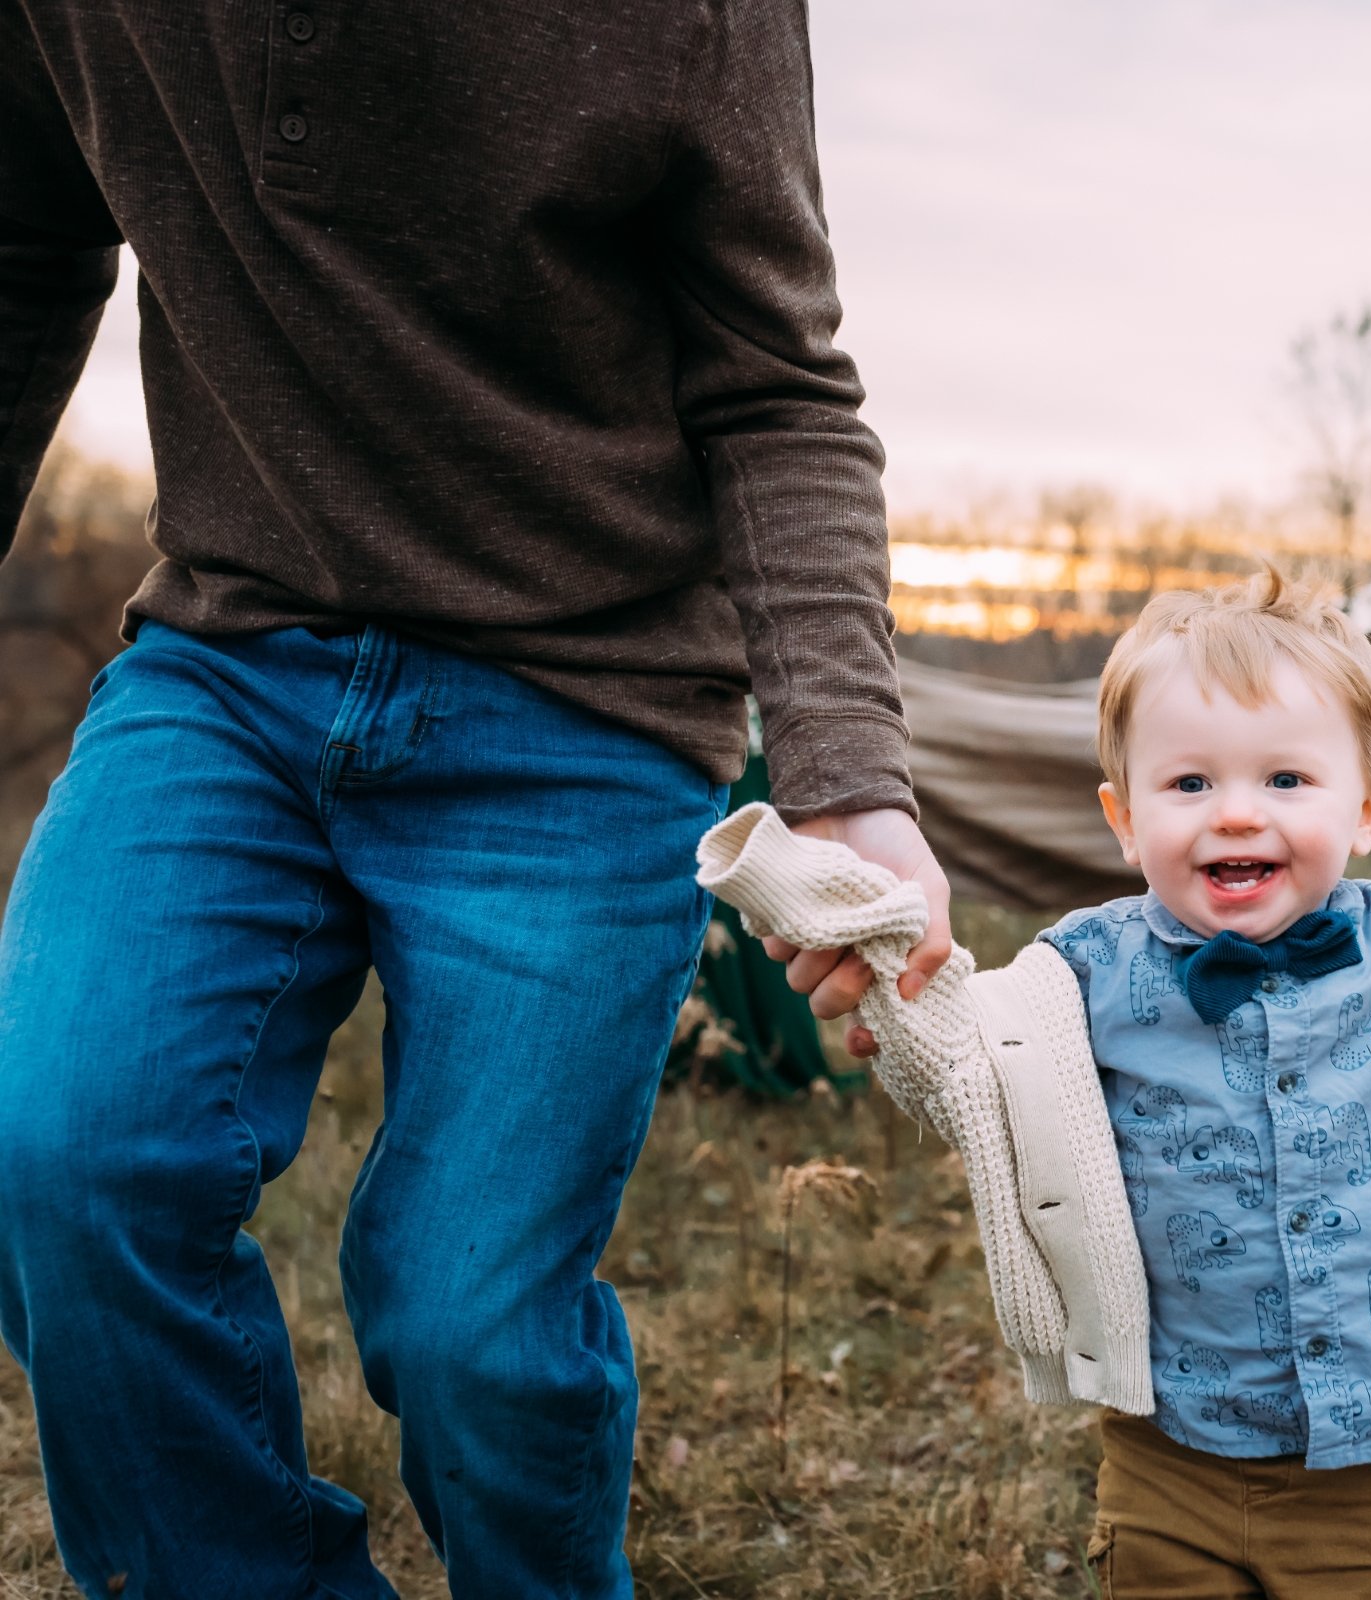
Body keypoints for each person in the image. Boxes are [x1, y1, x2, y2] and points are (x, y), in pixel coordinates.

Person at [0, 4, 948, 1595]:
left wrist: (849, 776)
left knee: (471, 1325)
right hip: (230, 659)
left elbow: (776, 385)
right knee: (64, 1160)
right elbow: (23, 245)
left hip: (585, 700)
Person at [698, 571, 1371, 1597]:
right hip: (1167, 1461)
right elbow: (968, 1076)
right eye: (1188, 785)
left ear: (1368, 806)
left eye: (1283, 780)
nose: (1233, 815)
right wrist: (873, 949)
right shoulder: (1080, 977)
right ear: (1124, 819)